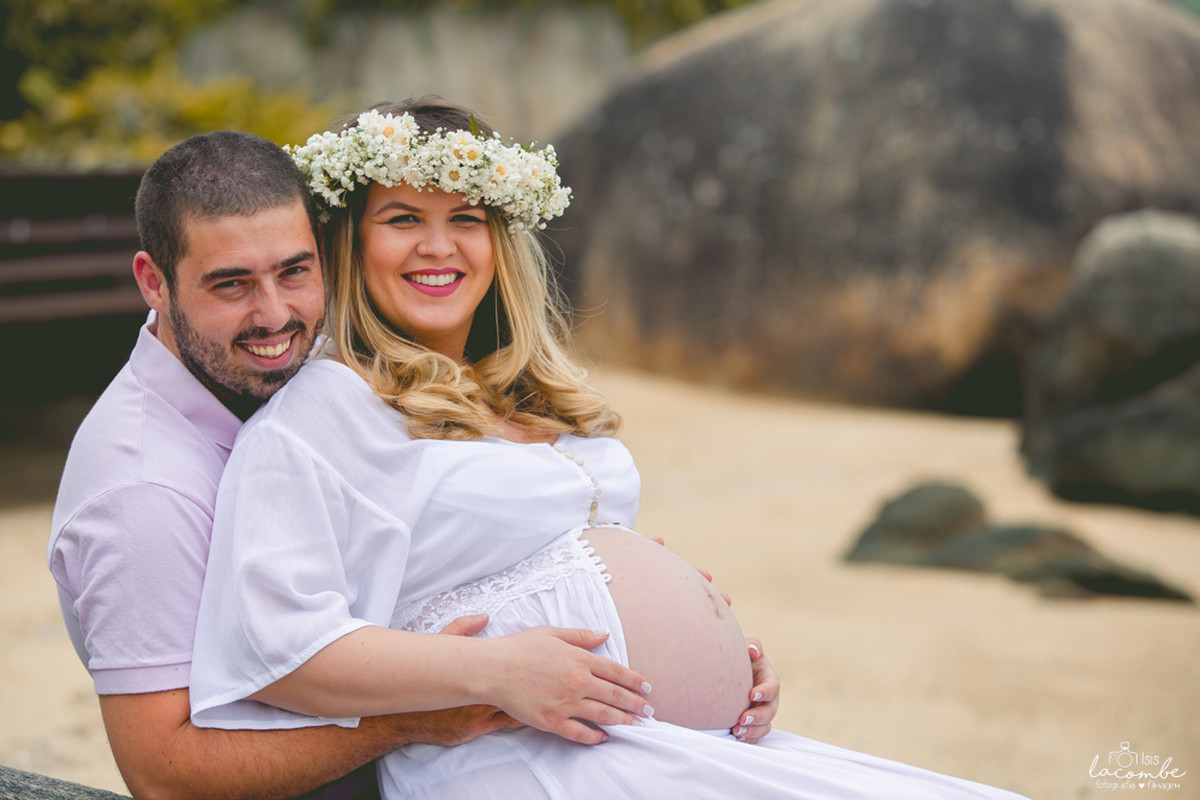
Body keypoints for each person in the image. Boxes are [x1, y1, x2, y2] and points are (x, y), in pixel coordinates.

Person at [187, 97, 1029, 799]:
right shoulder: (327, 408)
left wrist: (730, 661)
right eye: (403, 219)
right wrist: (490, 672)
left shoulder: (525, 389)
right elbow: (275, 648)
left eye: (466, 220)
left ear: (500, 242)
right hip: (516, 757)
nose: (439, 247)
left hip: (643, 738)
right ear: (350, 243)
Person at [45, 129, 670, 800]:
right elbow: (165, 775)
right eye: (230, 285)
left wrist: (638, 598)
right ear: (154, 284)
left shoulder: (303, 376)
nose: (276, 315)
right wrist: (414, 717)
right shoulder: (142, 491)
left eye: (294, 271)